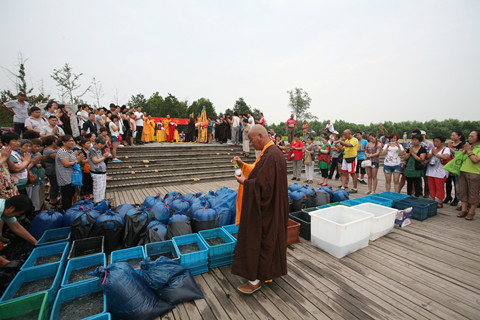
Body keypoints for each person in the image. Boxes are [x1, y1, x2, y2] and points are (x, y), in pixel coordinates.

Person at [231, 125, 288, 294]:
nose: (250, 142)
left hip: (266, 209)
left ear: (261, 136)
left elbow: (263, 186)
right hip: (271, 206)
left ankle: (255, 279)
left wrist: (244, 183)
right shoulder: (269, 152)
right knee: (267, 240)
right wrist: (243, 165)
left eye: (251, 139)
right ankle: (265, 273)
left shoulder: (272, 155)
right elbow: (259, 173)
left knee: (259, 240)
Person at [0, 195, 37, 266]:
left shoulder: (5, 209)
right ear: (11, 208)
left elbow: (17, 227)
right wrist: (4, 262)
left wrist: (34, 242)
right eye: (19, 213)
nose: (17, 216)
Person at [55, 135, 84, 211]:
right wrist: (77, 160)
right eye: (69, 141)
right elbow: (66, 164)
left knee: (71, 194)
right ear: (64, 142)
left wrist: (78, 158)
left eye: (72, 141)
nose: (72, 142)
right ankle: (66, 210)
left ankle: (70, 209)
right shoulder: (62, 151)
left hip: (72, 176)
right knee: (66, 195)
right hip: (65, 176)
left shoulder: (70, 151)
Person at [458, 130, 480, 220]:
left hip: (474, 172)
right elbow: (460, 158)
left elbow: (475, 160)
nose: (469, 138)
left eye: (472, 136)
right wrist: (464, 150)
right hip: (463, 170)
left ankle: (472, 211)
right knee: (463, 191)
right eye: (469, 136)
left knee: (473, 193)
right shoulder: (469, 147)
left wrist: (469, 151)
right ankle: (464, 209)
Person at [425, 136, 451, 208]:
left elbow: (445, 157)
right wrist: (431, 153)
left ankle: (440, 201)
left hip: (441, 171)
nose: (435, 143)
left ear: (442, 142)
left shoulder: (446, 149)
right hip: (431, 170)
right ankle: (432, 199)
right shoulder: (433, 149)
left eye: (437, 141)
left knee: (439, 187)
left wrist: (436, 154)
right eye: (434, 141)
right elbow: (428, 156)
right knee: (431, 186)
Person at [88, 136, 111, 205]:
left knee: (102, 187)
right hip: (96, 172)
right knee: (98, 188)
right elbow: (95, 161)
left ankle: (101, 201)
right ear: (96, 143)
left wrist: (104, 155)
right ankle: (97, 202)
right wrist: (104, 157)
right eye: (100, 144)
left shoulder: (98, 150)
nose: (101, 146)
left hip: (102, 172)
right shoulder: (92, 150)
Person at [444, 130, 465, 206]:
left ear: (459, 136)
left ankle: (457, 198)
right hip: (449, 165)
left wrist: (450, 148)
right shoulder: (451, 144)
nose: (451, 137)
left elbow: (459, 154)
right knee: (448, 182)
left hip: (456, 166)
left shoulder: (462, 144)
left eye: (453, 135)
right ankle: (448, 196)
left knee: (457, 183)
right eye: (451, 135)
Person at [42, 136, 59, 208]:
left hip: (50, 170)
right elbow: (59, 159)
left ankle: (53, 198)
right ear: (53, 142)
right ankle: (53, 201)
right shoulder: (50, 151)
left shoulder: (47, 150)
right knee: (54, 186)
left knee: (53, 185)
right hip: (52, 170)